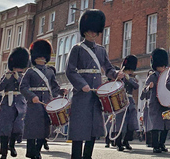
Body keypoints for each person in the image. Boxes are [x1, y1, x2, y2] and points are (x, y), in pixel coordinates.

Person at [65, 9, 122, 159]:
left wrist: (116, 74)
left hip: (96, 94)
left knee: (93, 129)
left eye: (95, 32)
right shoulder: (77, 49)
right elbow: (70, 71)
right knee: (79, 129)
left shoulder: (101, 50)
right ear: (84, 31)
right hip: (81, 94)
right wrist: (81, 84)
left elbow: (108, 68)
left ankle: (87, 157)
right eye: (89, 31)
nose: (92, 34)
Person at [20, 39, 64, 159]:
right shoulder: (30, 71)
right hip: (34, 103)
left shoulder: (50, 71)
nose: (42, 59)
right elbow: (23, 87)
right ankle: (31, 151)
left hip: (46, 102)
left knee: (44, 129)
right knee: (33, 128)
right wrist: (32, 96)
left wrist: (61, 92)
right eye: (40, 56)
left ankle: (37, 151)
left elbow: (54, 87)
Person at [0, 47, 30, 159]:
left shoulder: (24, 76)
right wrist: (6, 79)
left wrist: (18, 78)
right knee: (5, 129)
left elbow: (27, 88)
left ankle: (12, 145)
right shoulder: (7, 75)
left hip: (20, 103)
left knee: (18, 128)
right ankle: (3, 153)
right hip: (7, 103)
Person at [145, 48, 170, 153]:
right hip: (155, 103)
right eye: (161, 66)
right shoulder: (152, 76)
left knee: (166, 125)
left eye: (164, 66)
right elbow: (143, 92)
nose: (163, 68)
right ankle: (155, 145)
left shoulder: (167, 75)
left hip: (166, 103)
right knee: (155, 126)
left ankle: (162, 144)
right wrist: (149, 87)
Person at [113, 55, 139, 151]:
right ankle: (118, 142)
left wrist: (128, 78)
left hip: (130, 101)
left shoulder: (131, 78)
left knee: (131, 123)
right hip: (121, 101)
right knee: (120, 123)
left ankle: (126, 141)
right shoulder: (120, 77)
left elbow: (136, 86)